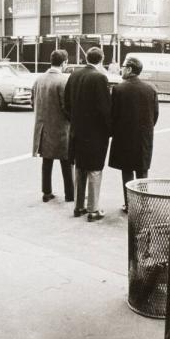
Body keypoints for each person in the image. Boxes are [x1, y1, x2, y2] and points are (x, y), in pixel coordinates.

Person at [64, 46, 112, 222]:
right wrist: (109, 130)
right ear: (101, 59)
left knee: (80, 168)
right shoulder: (99, 77)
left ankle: (78, 206)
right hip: (95, 134)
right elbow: (104, 109)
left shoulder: (74, 75)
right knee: (95, 170)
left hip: (77, 131)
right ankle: (93, 210)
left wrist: (74, 121)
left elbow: (66, 103)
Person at [109, 57, 159, 214]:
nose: (121, 70)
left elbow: (113, 115)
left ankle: (129, 205)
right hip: (144, 137)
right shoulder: (150, 89)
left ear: (129, 69)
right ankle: (144, 206)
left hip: (124, 137)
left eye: (123, 67)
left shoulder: (118, 89)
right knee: (142, 171)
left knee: (127, 171)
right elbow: (155, 115)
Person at [31, 50, 74, 204]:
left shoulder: (39, 79)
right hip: (61, 128)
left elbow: (32, 102)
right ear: (64, 63)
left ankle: (46, 192)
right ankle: (70, 194)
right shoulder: (64, 81)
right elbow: (67, 107)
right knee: (67, 162)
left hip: (43, 128)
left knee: (47, 161)